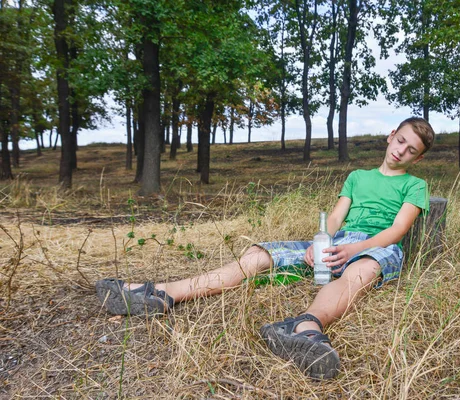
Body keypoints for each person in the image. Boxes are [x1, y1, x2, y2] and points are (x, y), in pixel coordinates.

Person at [96, 117, 435, 380]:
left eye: (411, 151)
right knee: (259, 255)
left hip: (376, 246)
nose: (401, 151)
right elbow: (334, 218)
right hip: (338, 242)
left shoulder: (414, 185)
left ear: (417, 159)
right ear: (392, 135)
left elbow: (397, 230)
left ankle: (305, 328)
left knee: (358, 274)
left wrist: (353, 249)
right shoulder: (358, 177)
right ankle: (163, 293)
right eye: (401, 141)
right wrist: (322, 243)